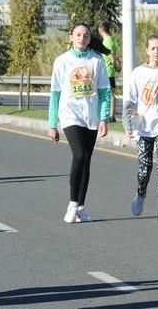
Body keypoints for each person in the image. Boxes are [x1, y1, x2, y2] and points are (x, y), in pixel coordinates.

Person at [48, 22, 111, 223]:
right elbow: (55, 94)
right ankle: (72, 203)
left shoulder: (97, 61)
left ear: (89, 38)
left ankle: (81, 207)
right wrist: (52, 124)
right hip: (70, 114)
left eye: (85, 35)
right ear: (71, 37)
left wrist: (103, 118)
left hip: (90, 116)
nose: (81, 38)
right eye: (78, 35)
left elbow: (104, 93)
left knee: (86, 161)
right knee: (79, 155)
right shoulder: (62, 61)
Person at [123, 35, 158, 222]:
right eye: (153, 48)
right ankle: (140, 194)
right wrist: (127, 123)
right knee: (144, 168)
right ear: (147, 50)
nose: (157, 51)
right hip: (144, 126)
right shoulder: (138, 73)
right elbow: (130, 101)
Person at [98, 21, 119, 123]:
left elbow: (112, 58)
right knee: (106, 93)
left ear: (101, 30)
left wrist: (116, 67)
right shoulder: (106, 41)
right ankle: (106, 114)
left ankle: (111, 116)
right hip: (105, 70)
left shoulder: (109, 41)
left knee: (111, 93)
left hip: (109, 71)